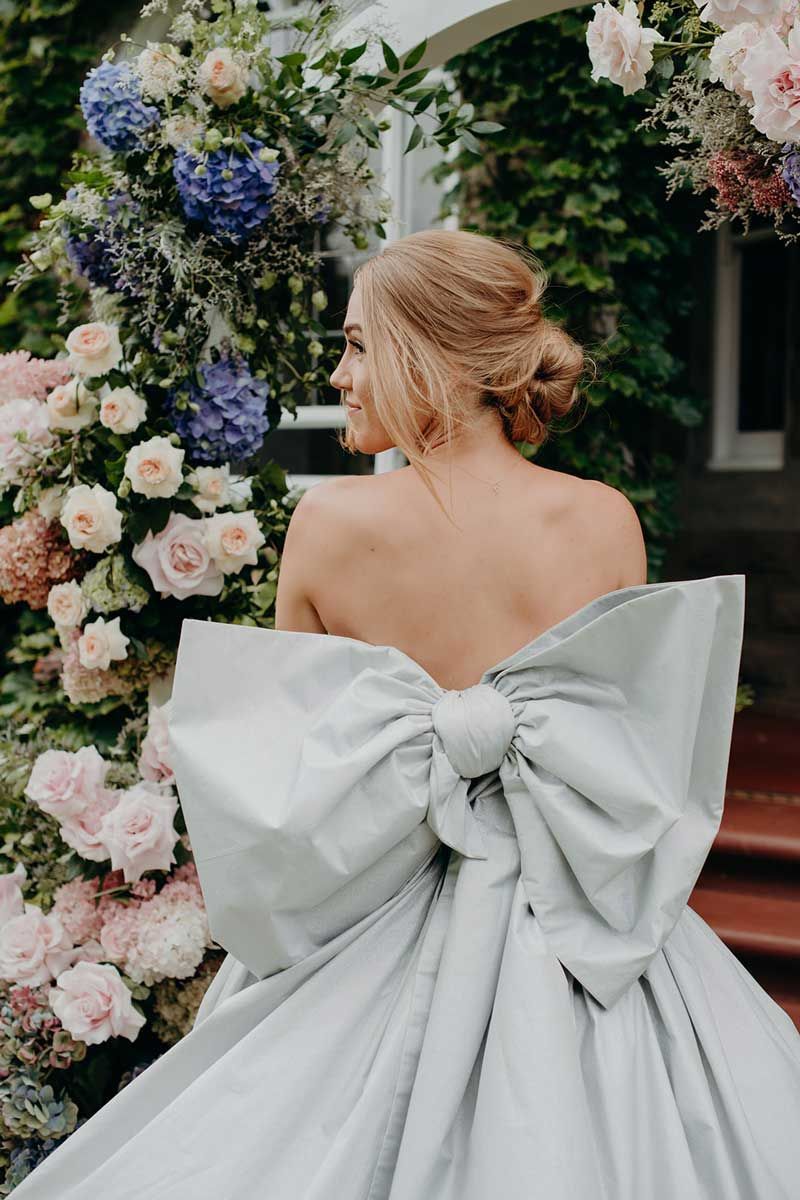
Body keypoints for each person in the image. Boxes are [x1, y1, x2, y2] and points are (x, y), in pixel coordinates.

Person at [11, 229, 800, 1199]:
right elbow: (615, 762)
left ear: (436, 355)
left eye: (357, 345)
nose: (338, 375)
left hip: (372, 924)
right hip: (575, 924)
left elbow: (301, 787)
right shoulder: (604, 520)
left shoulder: (329, 526)